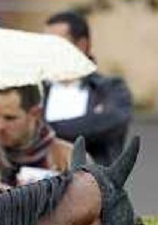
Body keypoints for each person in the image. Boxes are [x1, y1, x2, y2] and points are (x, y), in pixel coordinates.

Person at [43, 10, 133, 165]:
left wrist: (44, 131)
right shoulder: (37, 90)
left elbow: (108, 123)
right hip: (39, 184)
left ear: (82, 45)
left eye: (56, 44)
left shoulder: (109, 89)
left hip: (92, 184)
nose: (48, 51)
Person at [0, 84, 77, 197]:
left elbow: (90, 207)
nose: (0, 126)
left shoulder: (67, 157)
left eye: (10, 118)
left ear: (35, 113)